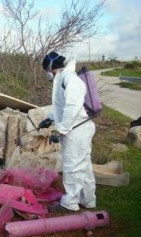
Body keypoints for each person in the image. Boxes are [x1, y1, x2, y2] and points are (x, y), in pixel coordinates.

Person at [38, 51, 96, 213]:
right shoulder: (63, 79)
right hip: (78, 127)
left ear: (50, 68)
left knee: (73, 166)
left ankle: (70, 203)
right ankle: (88, 200)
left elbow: (72, 107)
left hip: (77, 130)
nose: (46, 75)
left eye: (46, 71)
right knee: (83, 165)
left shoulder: (70, 79)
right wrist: (50, 118)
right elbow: (61, 105)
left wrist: (60, 131)